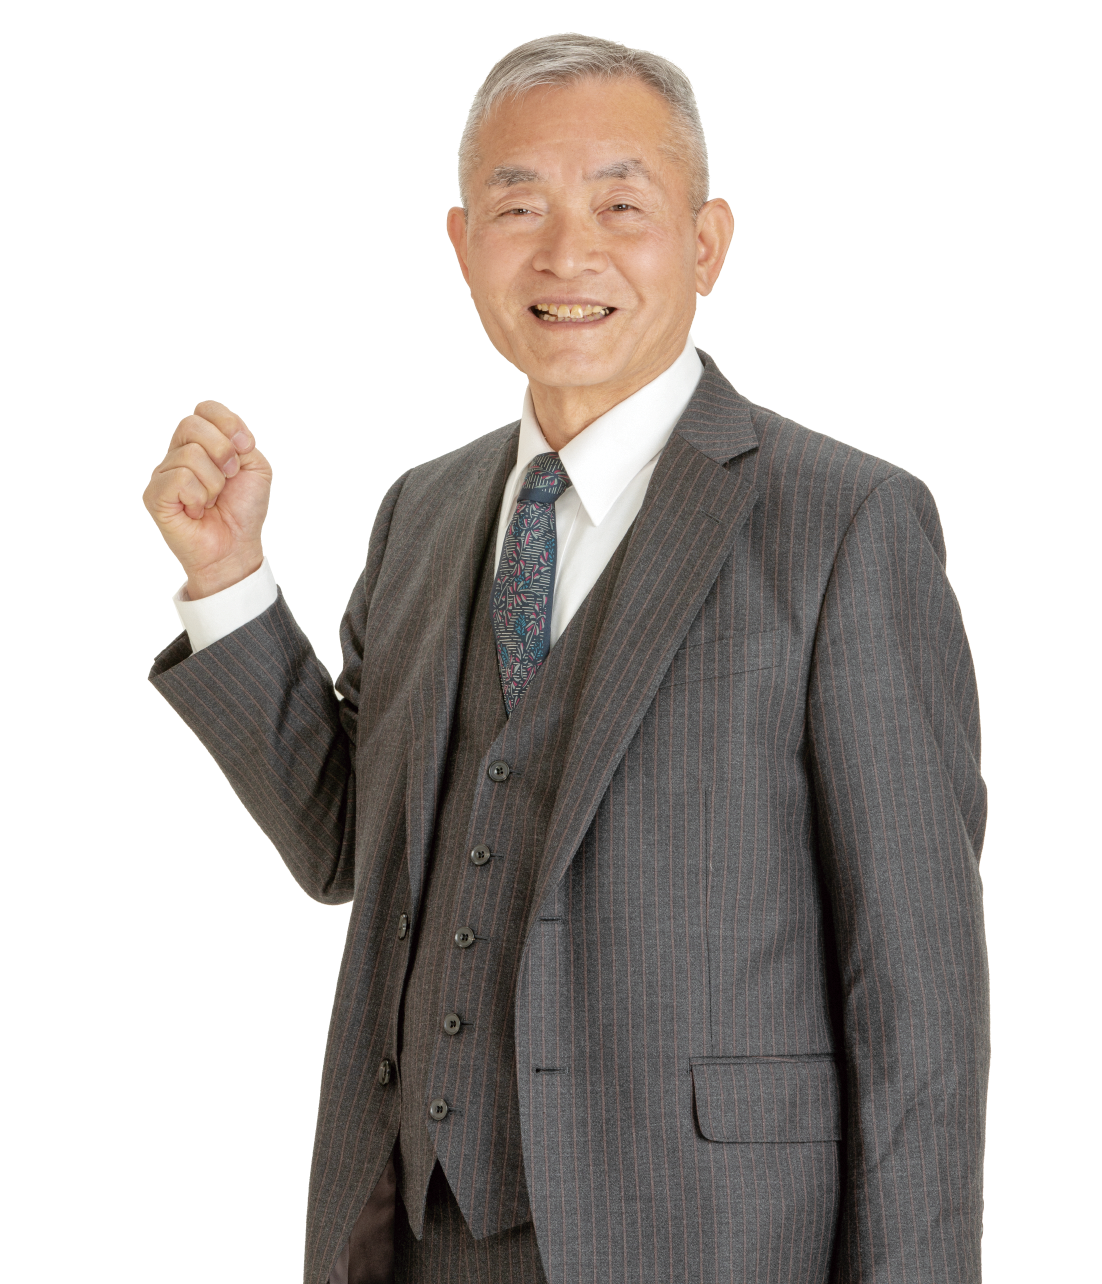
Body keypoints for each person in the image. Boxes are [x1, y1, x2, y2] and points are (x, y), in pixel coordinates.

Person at [144, 33, 989, 1284]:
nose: (565, 253)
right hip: (418, 1232)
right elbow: (347, 844)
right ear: (461, 245)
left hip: (711, 1240)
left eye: (619, 205)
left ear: (705, 244)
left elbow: (917, 997)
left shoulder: (847, 520)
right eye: (519, 206)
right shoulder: (422, 510)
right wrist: (228, 580)